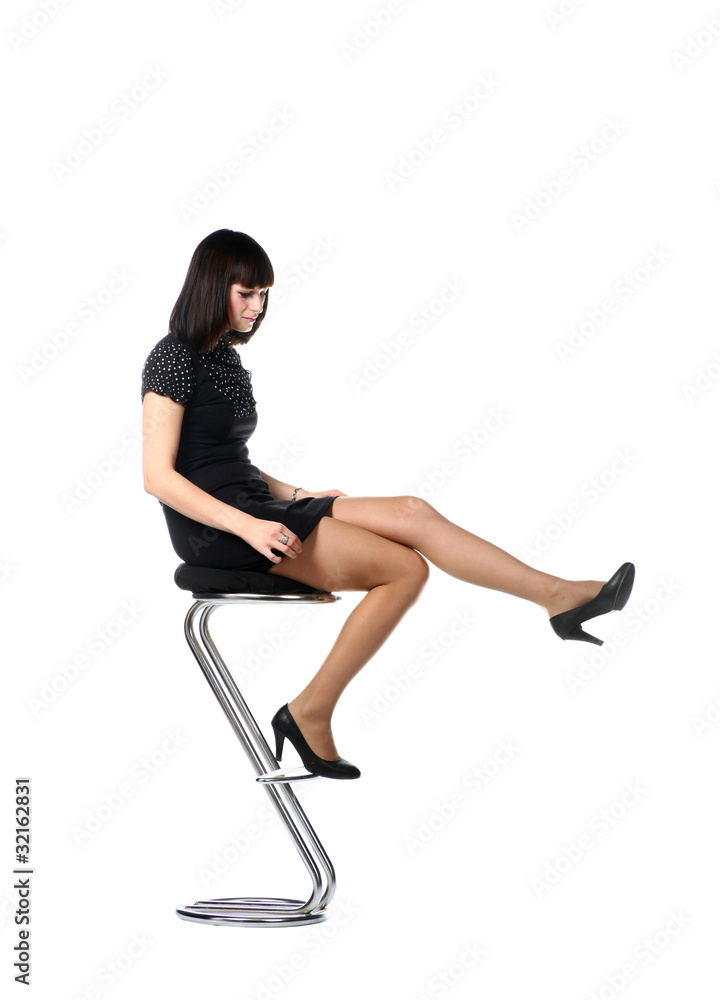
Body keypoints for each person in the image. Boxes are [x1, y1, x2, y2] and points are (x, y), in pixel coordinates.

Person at [141, 229, 635, 780]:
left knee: (412, 512)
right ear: (212, 287)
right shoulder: (171, 357)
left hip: (251, 504)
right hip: (216, 530)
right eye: (246, 293)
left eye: (264, 294)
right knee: (405, 569)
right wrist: (248, 526)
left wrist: (300, 495)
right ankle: (309, 712)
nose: (257, 307)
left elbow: (228, 461)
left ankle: (557, 597)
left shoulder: (224, 359)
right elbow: (158, 477)